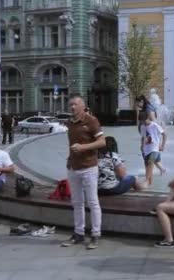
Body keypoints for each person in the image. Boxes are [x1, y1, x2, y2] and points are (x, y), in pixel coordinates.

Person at [62, 95, 106, 250]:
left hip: (89, 167)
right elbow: (71, 144)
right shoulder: (69, 123)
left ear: (82, 106)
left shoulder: (91, 121)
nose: (72, 107)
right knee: (77, 203)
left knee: (93, 202)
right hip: (73, 167)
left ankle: (95, 234)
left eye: (75, 104)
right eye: (70, 104)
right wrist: (69, 158)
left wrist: (83, 148)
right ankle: (79, 233)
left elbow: (102, 142)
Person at [140, 117, 167, 186]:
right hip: (146, 149)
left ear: (148, 118)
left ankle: (146, 180)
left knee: (150, 162)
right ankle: (149, 183)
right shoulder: (142, 126)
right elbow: (143, 137)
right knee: (148, 166)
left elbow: (164, 134)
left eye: (144, 120)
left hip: (154, 148)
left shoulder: (155, 125)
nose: (143, 122)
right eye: (141, 121)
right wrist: (142, 146)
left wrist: (163, 145)